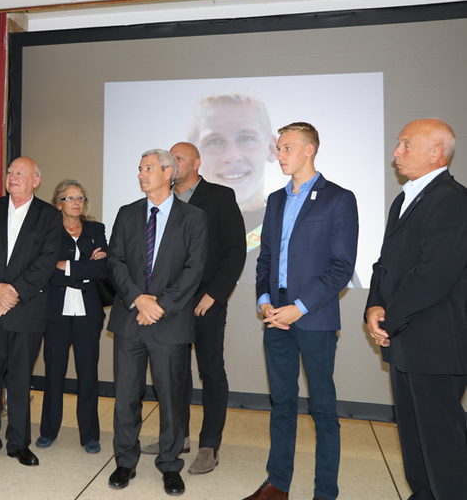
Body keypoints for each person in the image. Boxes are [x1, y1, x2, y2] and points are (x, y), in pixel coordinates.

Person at [245, 122, 358, 500]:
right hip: (274, 316)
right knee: (282, 404)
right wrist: (264, 301)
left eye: (286, 148)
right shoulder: (275, 200)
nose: (278, 155)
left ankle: (325, 491)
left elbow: (342, 267)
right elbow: (265, 260)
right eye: (278, 148)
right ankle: (277, 484)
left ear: (309, 149)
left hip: (314, 319)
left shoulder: (339, 199)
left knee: (323, 409)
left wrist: (299, 307)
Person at [365, 118, 467, 500]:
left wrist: (389, 316)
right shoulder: (405, 197)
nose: (396, 152)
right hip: (407, 338)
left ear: (436, 152)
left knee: (443, 440)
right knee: (412, 433)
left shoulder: (453, 200)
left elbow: (434, 275)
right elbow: (385, 262)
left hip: (437, 344)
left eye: (406, 144)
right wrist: (373, 305)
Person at [107, 149, 208, 496]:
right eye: (139, 169)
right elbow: (115, 261)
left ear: (168, 172)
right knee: (125, 395)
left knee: (171, 397)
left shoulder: (193, 217)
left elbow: (194, 270)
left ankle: (169, 463)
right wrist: (139, 299)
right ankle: (125, 461)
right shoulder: (127, 213)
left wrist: (160, 306)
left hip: (170, 321)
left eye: (148, 168)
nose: (140, 174)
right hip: (130, 318)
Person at [141, 143, 246, 474]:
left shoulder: (220, 197)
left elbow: (236, 250)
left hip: (205, 301)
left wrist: (215, 294)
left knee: (211, 370)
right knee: (174, 371)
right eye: (171, 158)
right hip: (170, 302)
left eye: (181, 157)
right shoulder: (163, 201)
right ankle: (177, 436)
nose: (174, 162)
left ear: (197, 163)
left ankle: (209, 445)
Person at [0, 156, 61, 468]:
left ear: (36, 180)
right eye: (10, 171)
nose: (13, 176)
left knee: (20, 381)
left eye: (20, 172)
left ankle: (19, 444)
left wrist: (14, 292)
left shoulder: (49, 215)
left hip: (26, 312)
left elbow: (46, 262)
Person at [36, 179, 109, 454]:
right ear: (59, 204)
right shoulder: (49, 230)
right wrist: (83, 266)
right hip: (56, 311)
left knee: (88, 374)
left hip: (88, 312)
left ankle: (89, 435)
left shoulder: (95, 229)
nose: (77, 202)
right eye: (70, 198)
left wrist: (65, 267)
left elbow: (102, 270)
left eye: (80, 197)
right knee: (54, 372)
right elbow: (45, 270)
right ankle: (48, 430)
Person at [188, 91, 277, 283]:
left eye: (246, 138)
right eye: (214, 141)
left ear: (271, 148)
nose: (231, 156)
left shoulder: (289, 228)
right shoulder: (181, 224)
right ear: (194, 157)